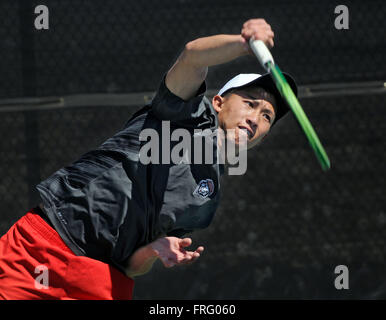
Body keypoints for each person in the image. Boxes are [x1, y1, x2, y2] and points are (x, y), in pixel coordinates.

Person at [0, 18, 297, 300]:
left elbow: (133, 264)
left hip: (103, 282)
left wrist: (156, 249)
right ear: (218, 102)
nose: (255, 118)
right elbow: (193, 57)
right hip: (46, 246)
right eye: (250, 104)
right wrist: (243, 43)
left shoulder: (207, 199)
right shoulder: (184, 112)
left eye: (266, 116)